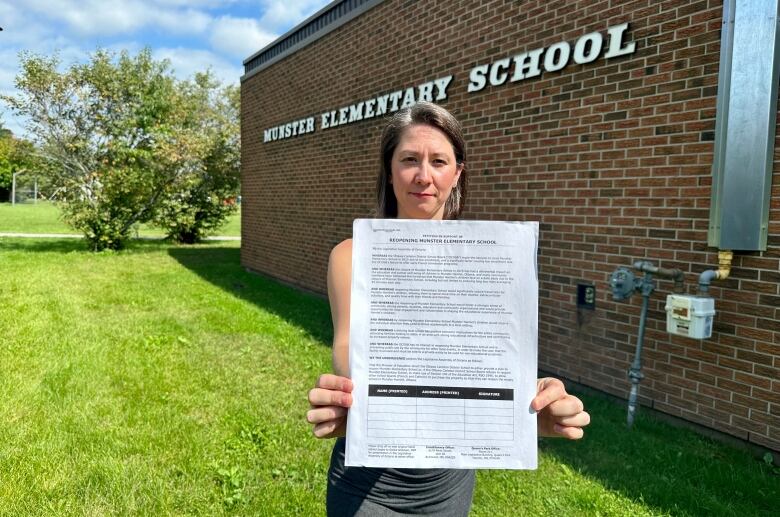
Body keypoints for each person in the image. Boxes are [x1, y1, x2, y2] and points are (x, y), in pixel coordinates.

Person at [307, 102, 590, 516]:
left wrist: (529, 415)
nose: (424, 176)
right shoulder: (352, 256)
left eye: (438, 161)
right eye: (409, 160)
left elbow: (491, 359)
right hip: (369, 479)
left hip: (447, 481)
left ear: (457, 173)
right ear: (390, 171)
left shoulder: (488, 262)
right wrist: (363, 404)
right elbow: (348, 349)